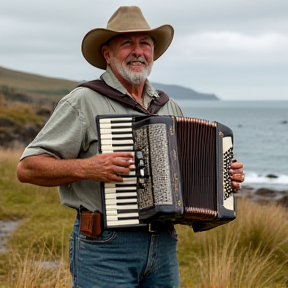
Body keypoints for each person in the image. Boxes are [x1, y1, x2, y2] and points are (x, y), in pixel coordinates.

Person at [16, 6, 245, 288]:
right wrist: (87, 167)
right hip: (105, 246)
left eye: (145, 44)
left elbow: (186, 174)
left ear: (153, 54)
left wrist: (223, 179)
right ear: (107, 54)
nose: (138, 51)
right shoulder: (83, 101)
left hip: (163, 244)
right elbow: (27, 168)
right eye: (127, 43)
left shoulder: (168, 106)